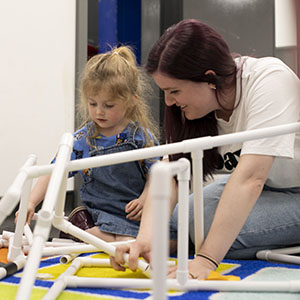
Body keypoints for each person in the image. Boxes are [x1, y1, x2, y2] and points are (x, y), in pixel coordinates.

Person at [110, 19, 300, 278]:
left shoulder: (269, 79)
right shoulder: (199, 111)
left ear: (210, 79)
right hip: (273, 185)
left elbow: (250, 179)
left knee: (209, 228)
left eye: (174, 90)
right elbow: (170, 171)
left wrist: (206, 260)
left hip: (284, 188)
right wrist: (146, 238)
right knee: (183, 216)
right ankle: (185, 241)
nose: (169, 101)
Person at [18, 46, 161, 242]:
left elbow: (157, 173)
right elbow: (54, 171)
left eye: (108, 105)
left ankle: (83, 233)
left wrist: (145, 198)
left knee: (170, 238)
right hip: (102, 214)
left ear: (131, 101)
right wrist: (31, 202)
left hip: (137, 213)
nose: (99, 112)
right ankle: (85, 230)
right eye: (93, 104)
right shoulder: (83, 139)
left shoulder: (140, 136)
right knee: (126, 243)